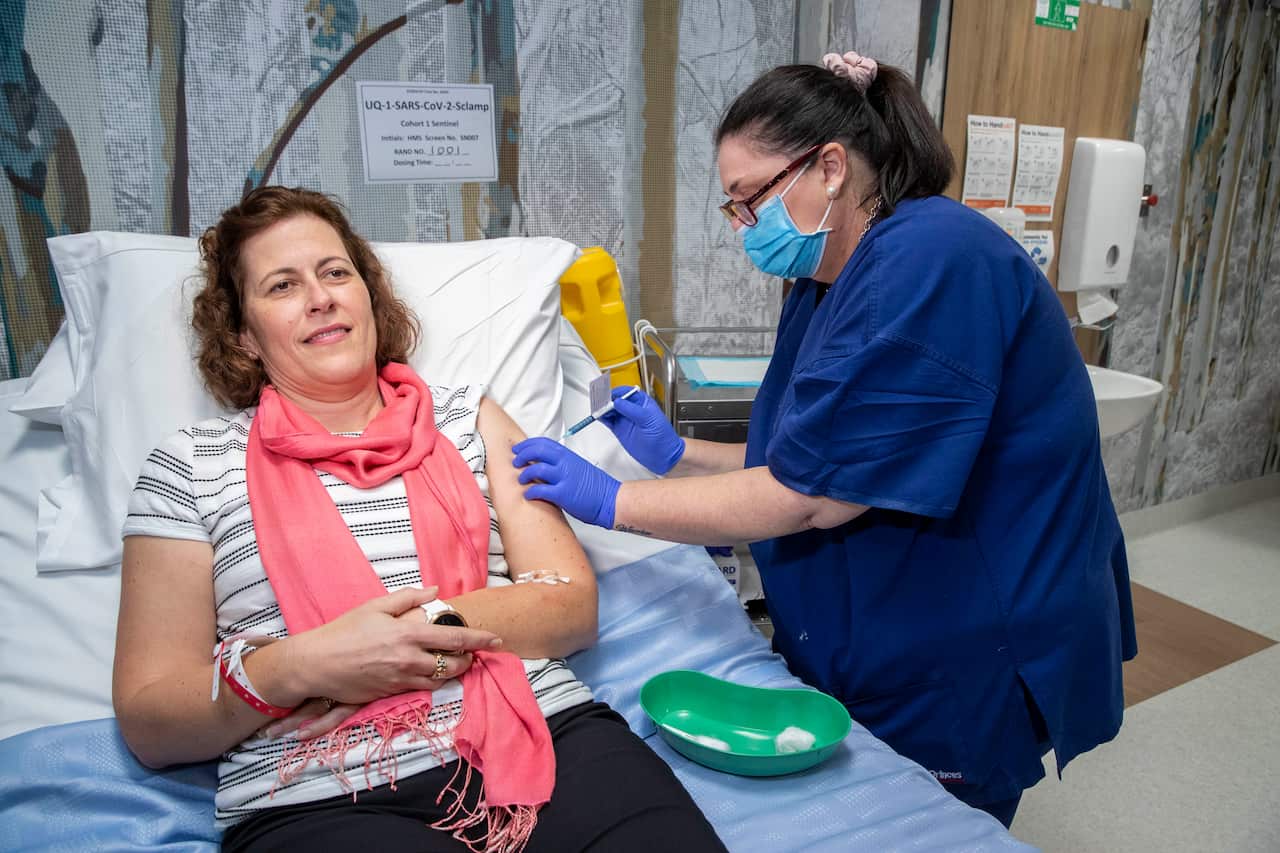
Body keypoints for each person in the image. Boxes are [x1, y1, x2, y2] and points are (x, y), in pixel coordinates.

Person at [510, 52, 1137, 829]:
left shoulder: (933, 262)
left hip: (969, 621)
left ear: (831, 167)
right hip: (883, 616)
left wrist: (614, 501)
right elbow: (813, 454)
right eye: (733, 208)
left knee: (934, 819)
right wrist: (678, 454)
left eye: (750, 200)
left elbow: (812, 497)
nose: (744, 227)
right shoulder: (828, 280)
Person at [112, 186, 727, 853]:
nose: (320, 296)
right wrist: (303, 665)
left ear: (368, 297)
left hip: (542, 738)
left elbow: (570, 604)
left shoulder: (470, 420)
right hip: (317, 795)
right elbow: (152, 718)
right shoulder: (189, 466)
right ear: (244, 336)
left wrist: (415, 634)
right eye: (282, 285)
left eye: (335, 272)